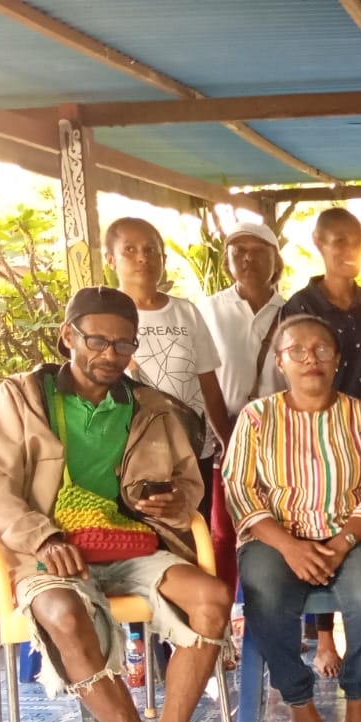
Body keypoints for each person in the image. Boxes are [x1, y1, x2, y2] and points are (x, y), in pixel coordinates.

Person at [0, 286, 231, 722]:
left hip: (130, 545)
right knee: (63, 613)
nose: (110, 354)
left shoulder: (150, 406)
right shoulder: (21, 399)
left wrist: (174, 501)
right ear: (68, 336)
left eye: (124, 344)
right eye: (97, 340)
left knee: (213, 597)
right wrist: (41, 536)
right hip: (46, 551)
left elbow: (187, 486)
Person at [223, 315, 361, 722]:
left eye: (322, 349)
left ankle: (359, 689)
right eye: (297, 351)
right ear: (280, 362)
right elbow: (241, 489)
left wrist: (341, 544)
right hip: (276, 534)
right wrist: (290, 547)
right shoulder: (256, 418)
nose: (311, 359)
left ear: (337, 359)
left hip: (356, 534)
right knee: (265, 600)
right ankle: (298, 698)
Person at [284, 207, 361, 679]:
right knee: (314, 524)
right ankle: (325, 638)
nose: (346, 250)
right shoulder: (300, 304)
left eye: (354, 241)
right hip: (314, 432)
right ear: (319, 244)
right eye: (336, 241)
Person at [103, 217, 226, 509]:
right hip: (132, 453)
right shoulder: (104, 317)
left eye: (150, 249)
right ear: (110, 259)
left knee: (195, 533)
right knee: (144, 536)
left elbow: (208, 384)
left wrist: (227, 440)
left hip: (193, 449)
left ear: (163, 258)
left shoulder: (186, 312)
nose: (142, 257)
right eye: (129, 250)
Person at [199, 222, 286, 594]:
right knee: (223, 531)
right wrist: (226, 436)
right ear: (227, 263)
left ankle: (269, 617)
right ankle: (223, 622)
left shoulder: (291, 310)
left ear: (275, 260)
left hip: (282, 436)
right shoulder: (207, 311)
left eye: (257, 251)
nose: (247, 258)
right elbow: (204, 380)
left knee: (279, 525)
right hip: (226, 433)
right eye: (238, 252)